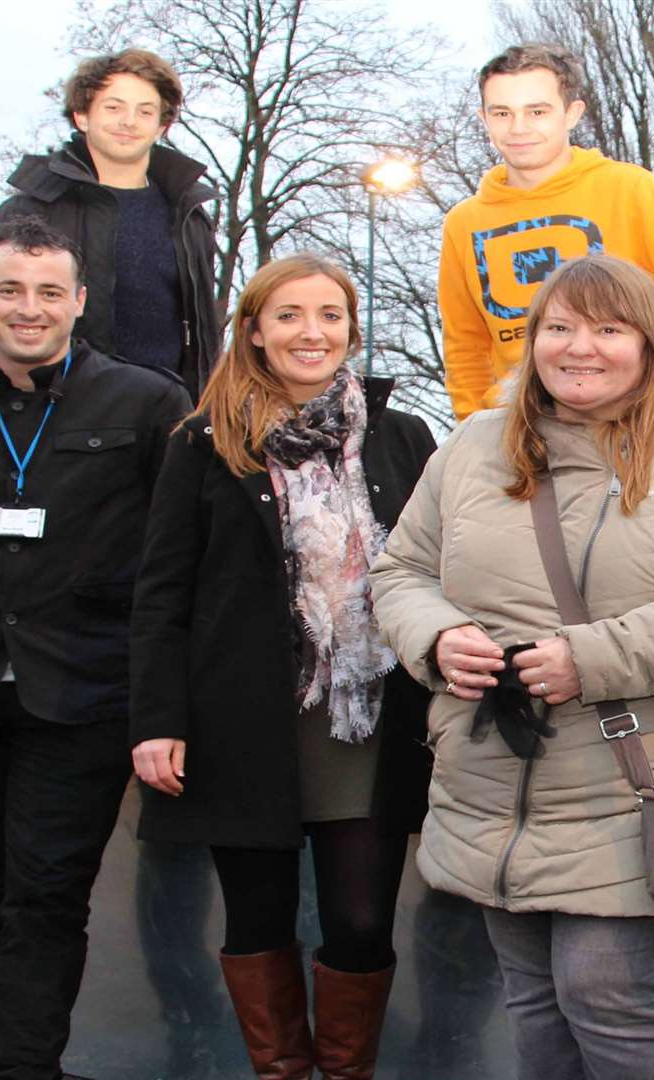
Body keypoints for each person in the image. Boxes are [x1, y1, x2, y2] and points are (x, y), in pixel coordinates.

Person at [370, 254, 654, 1079]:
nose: (582, 348)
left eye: (610, 329)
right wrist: (434, 639)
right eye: (561, 327)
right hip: (494, 781)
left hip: (646, 779)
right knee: (535, 1002)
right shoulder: (473, 446)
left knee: (607, 991)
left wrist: (593, 657)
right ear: (534, 338)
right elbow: (400, 571)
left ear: (648, 343)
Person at [0, 216, 191, 1080]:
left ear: (79, 302)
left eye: (50, 292)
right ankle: (15, 1054)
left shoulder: (146, 403)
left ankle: (21, 1066)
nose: (30, 308)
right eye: (10, 289)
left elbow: (171, 545)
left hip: (83, 689)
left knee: (47, 892)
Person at [129, 253, 436, 1080]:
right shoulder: (204, 443)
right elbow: (162, 593)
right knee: (259, 919)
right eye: (291, 315)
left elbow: (442, 566)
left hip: (368, 719)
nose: (312, 332)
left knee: (362, 922)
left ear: (351, 329)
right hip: (244, 721)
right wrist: (157, 720)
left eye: (330, 315)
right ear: (255, 331)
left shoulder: (402, 436)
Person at [438, 43, 654, 420]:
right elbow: (465, 341)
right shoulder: (465, 221)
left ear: (572, 113)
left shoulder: (627, 188)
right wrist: (474, 426)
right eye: (502, 113)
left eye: (537, 111)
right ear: (484, 118)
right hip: (524, 423)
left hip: (626, 415)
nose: (518, 128)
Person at [0, 48, 222, 399]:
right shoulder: (31, 210)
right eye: (113, 107)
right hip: (62, 415)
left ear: (161, 125)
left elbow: (203, 328)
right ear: (82, 115)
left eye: (144, 111)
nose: (128, 121)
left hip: (169, 414)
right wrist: (18, 396)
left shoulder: (189, 216)